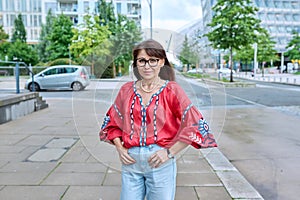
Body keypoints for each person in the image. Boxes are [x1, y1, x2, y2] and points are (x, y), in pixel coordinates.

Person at [99, 39, 217, 200]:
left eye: (153, 60)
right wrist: (120, 148)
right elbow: (113, 124)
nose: (147, 66)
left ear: (162, 62)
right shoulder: (126, 90)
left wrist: (169, 152)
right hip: (131, 162)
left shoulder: (172, 90)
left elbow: (194, 124)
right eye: (142, 61)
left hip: (160, 162)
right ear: (136, 64)